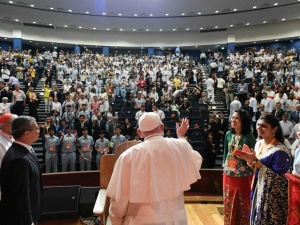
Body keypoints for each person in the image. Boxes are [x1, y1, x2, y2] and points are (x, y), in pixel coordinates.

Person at [106, 113, 202, 225]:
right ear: (162, 128)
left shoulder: (128, 156)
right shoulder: (179, 146)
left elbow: (119, 200)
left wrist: (116, 219)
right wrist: (180, 135)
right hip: (177, 219)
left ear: (139, 133)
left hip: (141, 220)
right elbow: (192, 158)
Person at [235, 114, 291, 225]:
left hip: (272, 199)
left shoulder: (280, 151)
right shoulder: (259, 143)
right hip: (257, 188)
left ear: (274, 129)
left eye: (264, 126)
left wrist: (256, 161)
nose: (259, 128)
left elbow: (281, 180)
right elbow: (256, 168)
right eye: (258, 125)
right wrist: (249, 160)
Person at [0, 116, 42, 225]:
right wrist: (28, 222)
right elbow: (21, 196)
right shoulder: (19, 159)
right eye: (36, 128)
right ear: (27, 133)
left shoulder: (23, 150)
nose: (39, 131)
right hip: (21, 219)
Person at [223, 109, 256, 225]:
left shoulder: (249, 137)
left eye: (237, 118)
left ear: (243, 121)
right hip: (228, 174)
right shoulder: (228, 134)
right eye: (232, 117)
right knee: (228, 201)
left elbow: (255, 155)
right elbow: (226, 152)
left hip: (243, 176)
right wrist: (224, 165)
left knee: (242, 202)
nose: (233, 120)